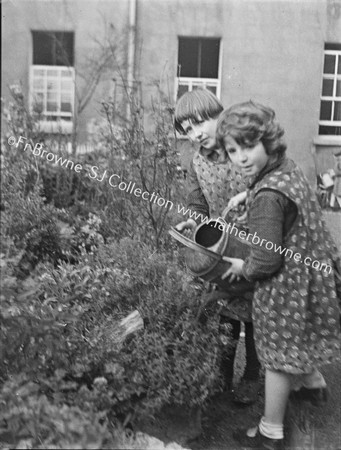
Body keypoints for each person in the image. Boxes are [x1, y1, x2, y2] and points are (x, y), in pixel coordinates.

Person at [216, 100, 341, 449]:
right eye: (232, 150)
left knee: (276, 356)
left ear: (268, 143)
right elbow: (275, 189)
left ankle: (271, 430)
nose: (240, 157)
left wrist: (246, 267)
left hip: (287, 283)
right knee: (298, 337)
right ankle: (311, 382)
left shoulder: (269, 196)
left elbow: (267, 259)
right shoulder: (287, 169)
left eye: (248, 146)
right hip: (313, 273)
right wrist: (249, 191)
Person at [174, 89, 261, 405]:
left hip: (255, 241)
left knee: (254, 309)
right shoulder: (195, 161)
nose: (195, 133)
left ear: (219, 115)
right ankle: (223, 372)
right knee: (226, 304)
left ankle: (253, 372)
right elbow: (197, 202)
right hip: (221, 242)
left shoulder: (241, 150)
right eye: (187, 130)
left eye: (200, 123)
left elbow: (265, 185)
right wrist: (192, 223)